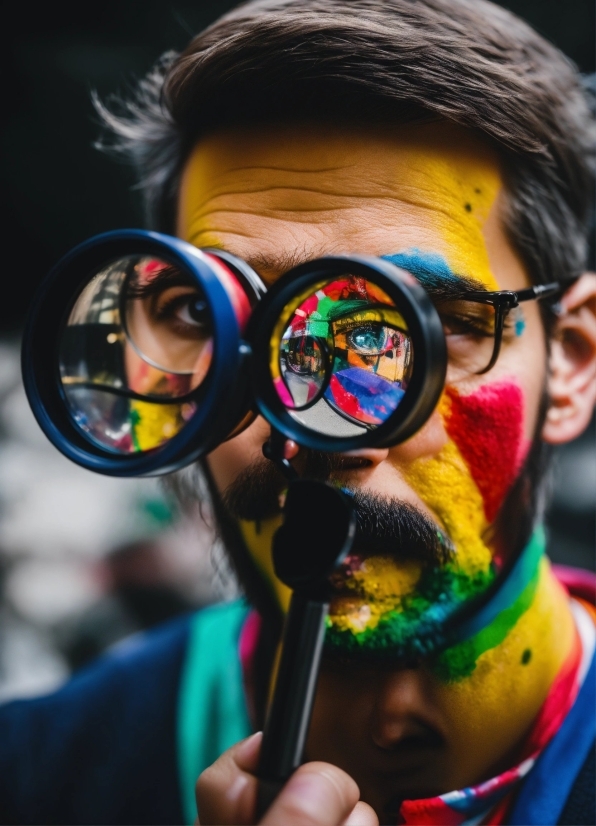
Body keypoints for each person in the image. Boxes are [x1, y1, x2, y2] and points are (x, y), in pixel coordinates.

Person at [1, 1, 595, 824]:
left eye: (419, 324)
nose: (306, 431)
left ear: (570, 363)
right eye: (217, 318)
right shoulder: (35, 780)